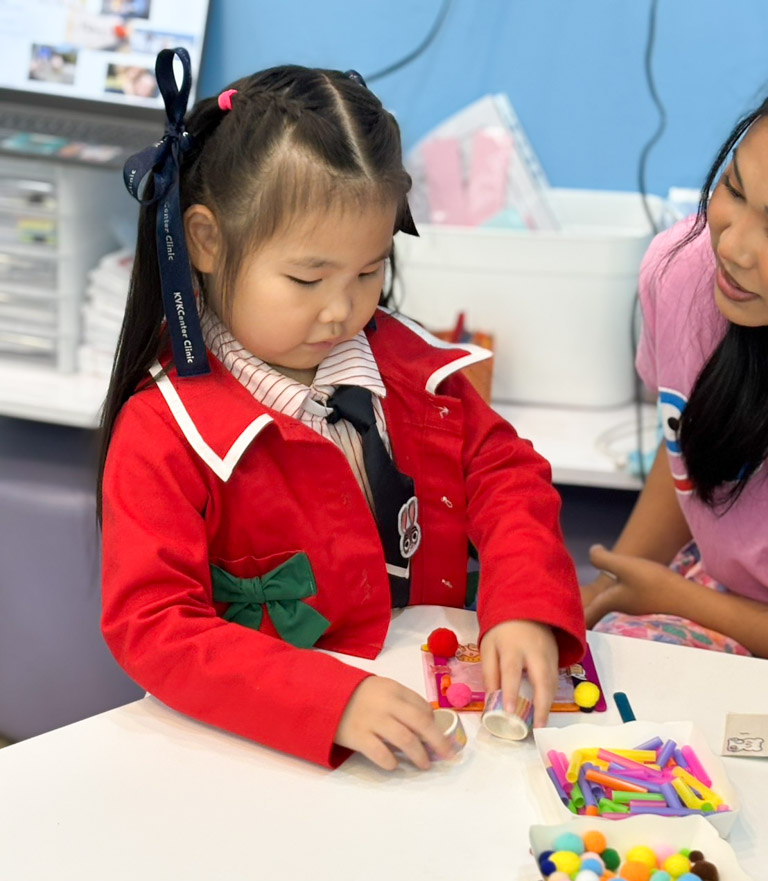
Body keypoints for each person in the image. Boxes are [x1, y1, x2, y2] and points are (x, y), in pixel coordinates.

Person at [98, 49, 585, 771]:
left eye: (368, 270)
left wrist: (524, 604)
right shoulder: (164, 431)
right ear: (205, 240)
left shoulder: (414, 374)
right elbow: (155, 625)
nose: (341, 309)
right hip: (265, 754)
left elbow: (507, 477)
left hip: (425, 725)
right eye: (307, 278)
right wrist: (331, 701)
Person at [582, 96, 768, 658]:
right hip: (717, 589)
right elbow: (688, 445)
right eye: (733, 189)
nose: (731, 247)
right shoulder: (683, 269)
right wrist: (613, 585)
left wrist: (672, 597)